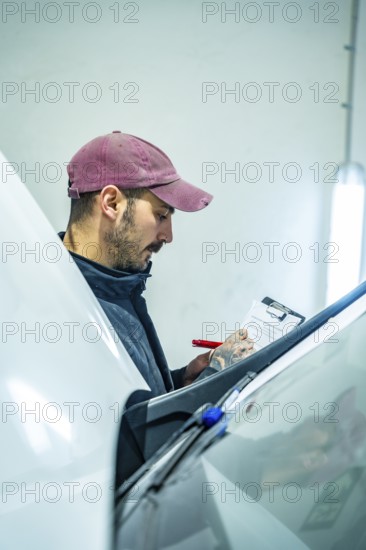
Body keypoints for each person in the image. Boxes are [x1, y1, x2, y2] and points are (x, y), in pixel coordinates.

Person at [60, 131, 254, 405]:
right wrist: (216, 380)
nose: (168, 236)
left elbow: (130, 410)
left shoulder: (115, 288)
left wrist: (181, 382)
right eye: (161, 215)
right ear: (111, 203)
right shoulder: (64, 311)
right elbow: (129, 445)